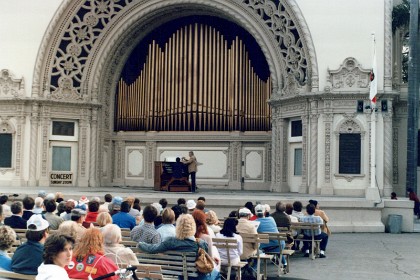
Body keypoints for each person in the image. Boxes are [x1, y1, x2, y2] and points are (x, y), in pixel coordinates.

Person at [138, 214, 220, 280]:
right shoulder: (200, 243)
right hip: (196, 277)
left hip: (178, 275)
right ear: (193, 227)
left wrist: (140, 244)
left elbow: (153, 249)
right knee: (217, 274)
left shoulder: (170, 241)